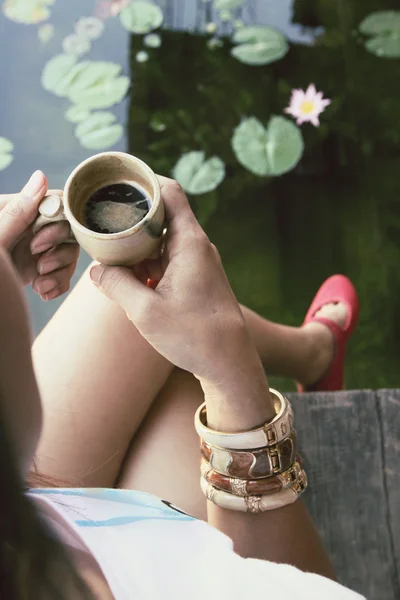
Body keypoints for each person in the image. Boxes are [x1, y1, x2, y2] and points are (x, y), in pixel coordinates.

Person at [0, 170, 362, 599]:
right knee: (160, 335)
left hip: (29, 511)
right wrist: (231, 377)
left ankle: (312, 354)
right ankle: (312, 356)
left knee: (132, 306)